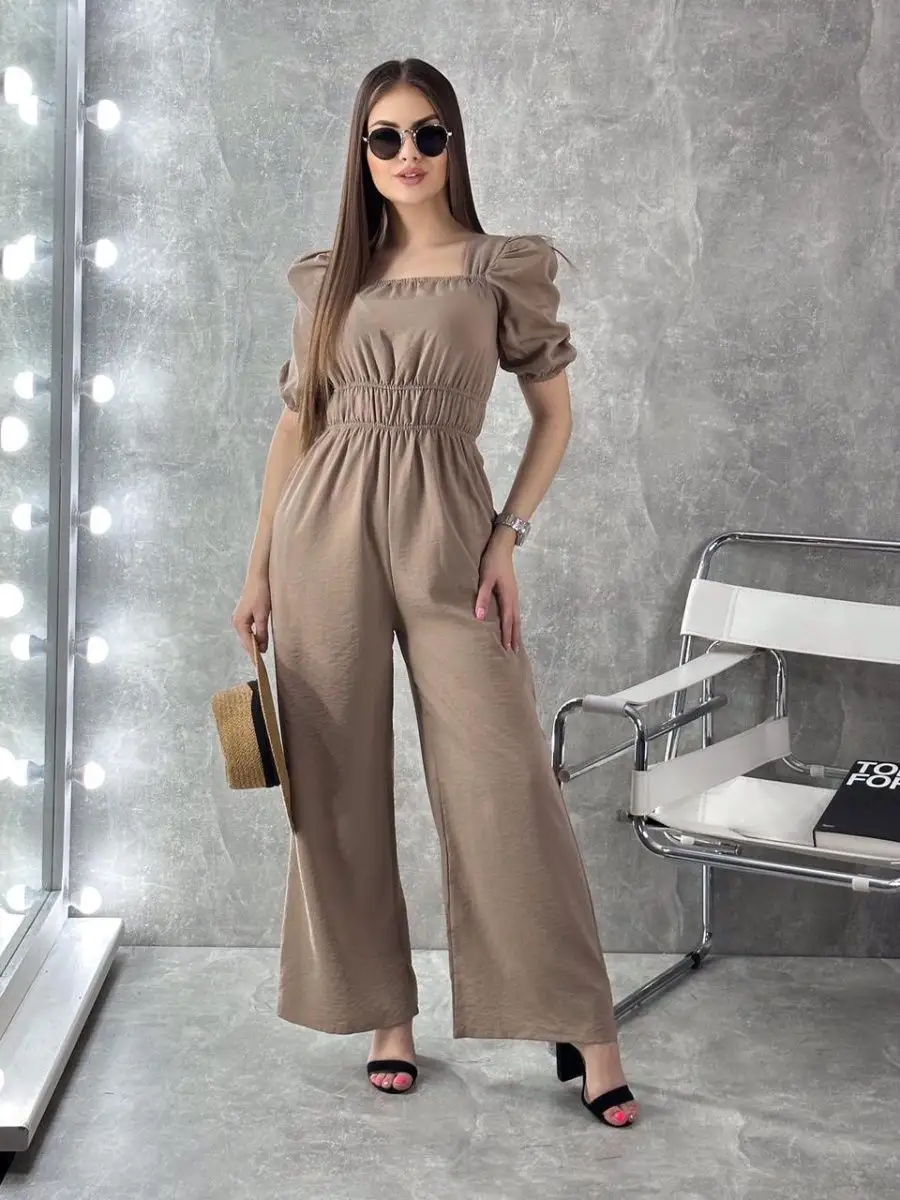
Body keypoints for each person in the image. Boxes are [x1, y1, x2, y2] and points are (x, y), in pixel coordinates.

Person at [232, 57, 639, 1130]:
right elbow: (297, 426)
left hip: (451, 533)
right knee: (333, 782)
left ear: (454, 141)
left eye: (427, 134)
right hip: (322, 532)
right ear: (361, 154)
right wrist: (258, 566)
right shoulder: (331, 279)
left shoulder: (500, 268)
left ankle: (585, 1026)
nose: (407, 155)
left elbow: (553, 415)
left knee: (506, 780)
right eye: (385, 138)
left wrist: (508, 536)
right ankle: (385, 1018)